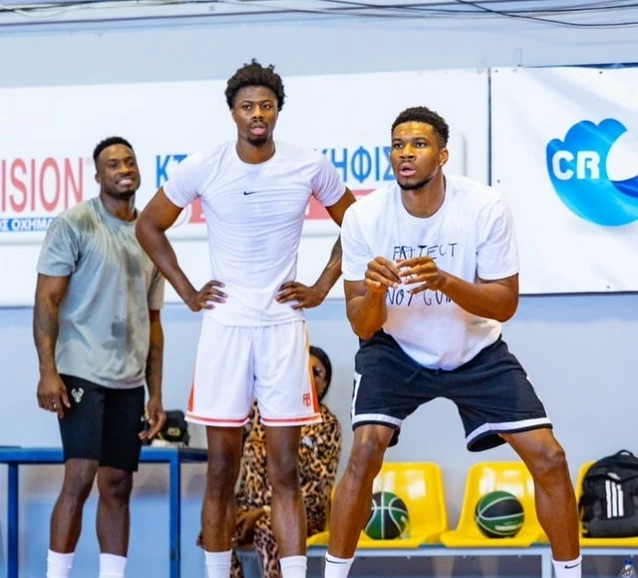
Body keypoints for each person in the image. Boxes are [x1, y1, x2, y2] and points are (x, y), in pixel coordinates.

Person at [325, 106, 581, 578]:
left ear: (442, 155)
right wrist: (375, 293)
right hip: (394, 349)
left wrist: (445, 281)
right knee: (364, 453)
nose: (406, 153)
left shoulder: (483, 207)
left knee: (550, 456)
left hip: (473, 348)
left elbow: (504, 304)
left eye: (419, 144)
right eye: (398, 145)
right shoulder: (364, 216)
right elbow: (362, 325)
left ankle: (570, 574)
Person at [134, 59, 356, 578]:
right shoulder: (204, 166)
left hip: (282, 328)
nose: (257, 114)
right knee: (220, 469)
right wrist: (187, 291)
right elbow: (148, 225)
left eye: (266, 105)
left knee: (284, 470)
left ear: (278, 111)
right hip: (225, 328)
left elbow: (360, 224)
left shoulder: (309, 165)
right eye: (247, 106)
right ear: (232, 112)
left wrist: (322, 286)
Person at [33, 136, 167, 578]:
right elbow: (47, 301)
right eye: (113, 164)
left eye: (129, 161)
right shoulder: (75, 224)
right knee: (80, 474)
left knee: (119, 484)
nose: (123, 169)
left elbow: (154, 322)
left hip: (129, 380)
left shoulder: (150, 234)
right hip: (80, 370)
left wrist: (155, 394)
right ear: (97, 176)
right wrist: (48, 372)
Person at [197, 345, 342, 578]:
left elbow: (319, 490)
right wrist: (242, 510)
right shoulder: (259, 411)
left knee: (269, 530)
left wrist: (264, 512)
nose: (309, 377)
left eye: (317, 372)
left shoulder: (327, 425)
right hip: (248, 506)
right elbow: (230, 456)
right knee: (217, 528)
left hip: (301, 511)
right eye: (303, 370)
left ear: (325, 384)